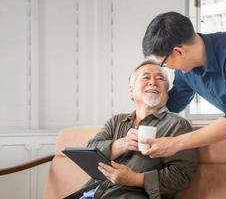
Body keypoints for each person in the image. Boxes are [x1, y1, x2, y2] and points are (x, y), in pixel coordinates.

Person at [141, 11, 226, 158]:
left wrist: (175, 143)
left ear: (179, 51)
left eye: (165, 63)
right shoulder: (185, 71)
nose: (169, 67)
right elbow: (172, 105)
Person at [67, 60, 197, 199]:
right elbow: (90, 151)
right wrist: (121, 144)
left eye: (160, 78)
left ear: (166, 90)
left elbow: (182, 175)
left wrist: (135, 179)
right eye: (146, 77)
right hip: (92, 193)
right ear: (131, 89)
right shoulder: (116, 121)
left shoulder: (178, 125)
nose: (153, 82)